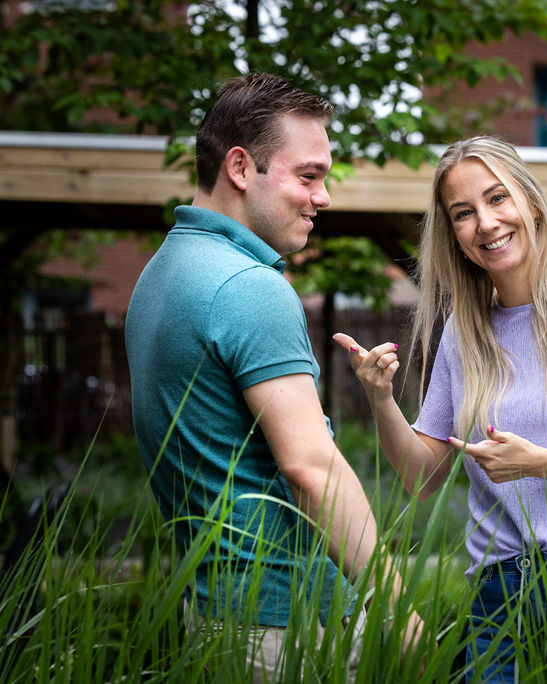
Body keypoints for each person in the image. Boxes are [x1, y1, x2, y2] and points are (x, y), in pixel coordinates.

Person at [335, 135, 547, 682]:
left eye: (497, 198)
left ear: (529, 201)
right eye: (464, 213)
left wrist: (539, 462)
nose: (487, 222)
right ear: (454, 235)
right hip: (501, 600)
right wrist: (380, 398)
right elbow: (421, 478)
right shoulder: (463, 332)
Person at [125, 72, 423, 681]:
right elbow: (310, 468)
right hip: (277, 627)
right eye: (308, 176)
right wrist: (398, 608)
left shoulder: (160, 273)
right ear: (240, 167)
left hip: (212, 610)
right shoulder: (249, 287)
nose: (324, 197)